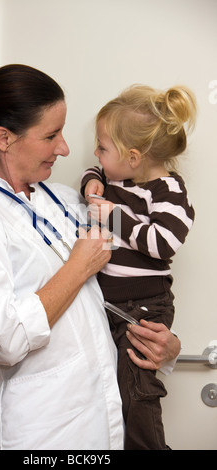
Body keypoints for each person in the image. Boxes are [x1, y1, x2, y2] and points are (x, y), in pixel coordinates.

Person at [0, 65, 181, 450]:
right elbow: (5, 341)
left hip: (104, 423)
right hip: (38, 432)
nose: (65, 148)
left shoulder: (66, 199)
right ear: (4, 138)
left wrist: (166, 349)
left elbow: (113, 292)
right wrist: (79, 267)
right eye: (51, 135)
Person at [81, 84, 196, 450]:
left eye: (102, 146)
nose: (95, 152)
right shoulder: (114, 176)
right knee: (109, 393)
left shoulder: (168, 193)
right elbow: (92, 170)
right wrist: (92, 182)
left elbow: (164, 243)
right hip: (110, 305)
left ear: (133, 157)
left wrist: (116, 218)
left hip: (144, 306)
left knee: (137, 391)